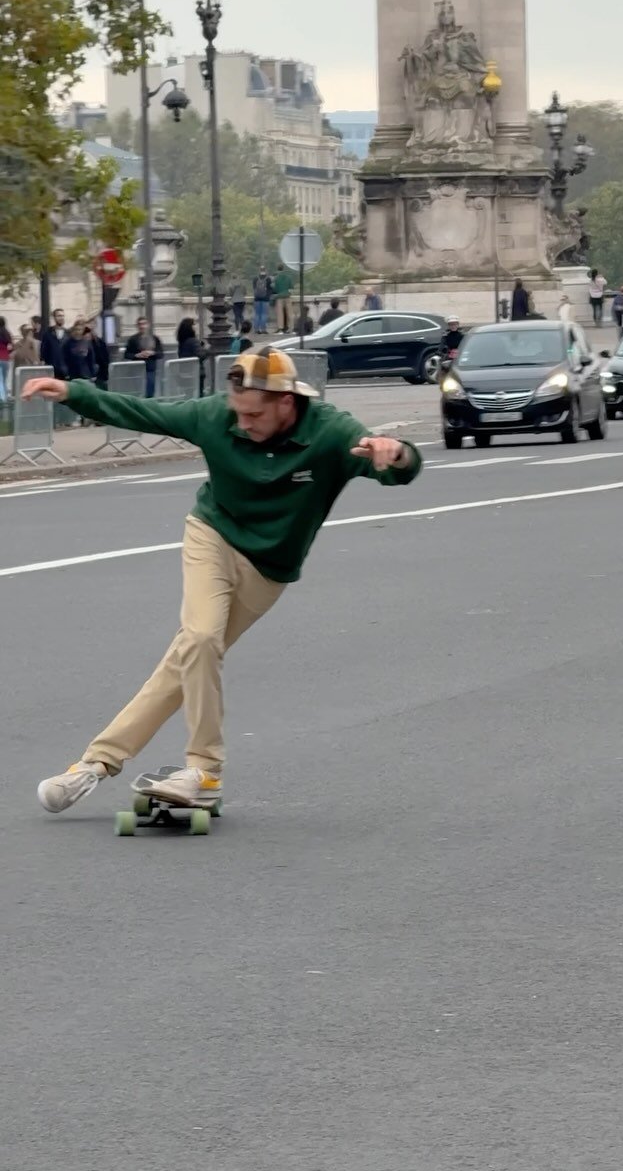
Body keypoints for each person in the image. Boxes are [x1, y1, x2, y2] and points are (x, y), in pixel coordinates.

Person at [25, 347, 423, 814]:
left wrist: (394, 454)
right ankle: (205, 770)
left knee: (189, 658)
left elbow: (400, 468)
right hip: (213, 535)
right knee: (199, 638)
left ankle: (95, 764)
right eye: (238, 412)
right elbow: (143, 411)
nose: (244, 423)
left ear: (287, 403)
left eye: (255, 414)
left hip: (268, 568)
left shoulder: (331, 433)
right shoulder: (217, 416)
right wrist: (74, 392)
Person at [124, 315, 163, 398]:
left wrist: (152, 353)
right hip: (137, 369)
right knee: (139, 391)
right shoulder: (132, 339)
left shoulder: (155, 338)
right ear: (137, 326)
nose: (142, 326)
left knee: (150, 390)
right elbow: (126, 354)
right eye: (140, 324)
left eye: (144, 324)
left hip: (150, 368)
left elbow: (160, 353)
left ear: (148, 325)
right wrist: (137, 355)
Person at [40, 308, 68, 378]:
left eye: (62, 316)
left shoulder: (68, 333)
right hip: (51, 368)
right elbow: (43, 350)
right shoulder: (48, 333)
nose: (61, 318)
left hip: (65, 369)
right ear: (54, 318)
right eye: (59, 316)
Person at [85, 320, 110, 390]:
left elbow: (105, 360)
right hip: (86, 376)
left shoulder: (100, 343)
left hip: (99, 376)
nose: (90, 326)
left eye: (91, 324)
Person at [273, 263, 294, 333]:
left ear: (277, 269)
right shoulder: (288, 277)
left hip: (279, 297)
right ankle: (291, 328)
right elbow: (291, 287)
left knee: (280, 313)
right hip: (287, 296)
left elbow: (275, 289)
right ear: (283, 269)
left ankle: (280, 328)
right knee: (290, 313)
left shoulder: (276, 278)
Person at [252, 266, 274, 334]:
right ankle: (263, 329)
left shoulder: (255, 278)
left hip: (257, 298)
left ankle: (256, 329)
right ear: (265, 270)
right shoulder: (268, 279)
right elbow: (270, 288)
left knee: (257, 314)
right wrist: (268, 295)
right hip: (265, 299)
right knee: (264, 314)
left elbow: (254, 288)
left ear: (259, 270)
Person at [0, 318, 12, 402]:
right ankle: (3, 398)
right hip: (5, 359)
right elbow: (11, 347)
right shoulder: (7, 334)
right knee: (3, 379)